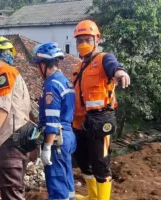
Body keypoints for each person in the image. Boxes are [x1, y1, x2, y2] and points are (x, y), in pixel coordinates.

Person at [72, 20, 131, 200]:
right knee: (83, 161)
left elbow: (114, 66)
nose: (83, 44)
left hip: (100, 120)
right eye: (80, 40)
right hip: (80, 122)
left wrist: (120, 72)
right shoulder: (78, 67)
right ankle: (92, 195)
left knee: (100, 163)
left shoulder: (104, 59)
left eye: (87, 39)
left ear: (97, 39)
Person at [0, 36, 31, 200]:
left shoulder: (3, 73)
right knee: (15, 189)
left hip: (11, 141)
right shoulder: (15, 74)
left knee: (11, 192)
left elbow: (2, 106)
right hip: (21, 137)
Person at [33, 42, 77, 200]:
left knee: (57, 183)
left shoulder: (51, 86)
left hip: (57, 139)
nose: (38, 71)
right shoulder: (65, 82)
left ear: (44, 65)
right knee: (66, 180)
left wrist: (47, 147)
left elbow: (52, 120)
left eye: (38, 66)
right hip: (68, 136)